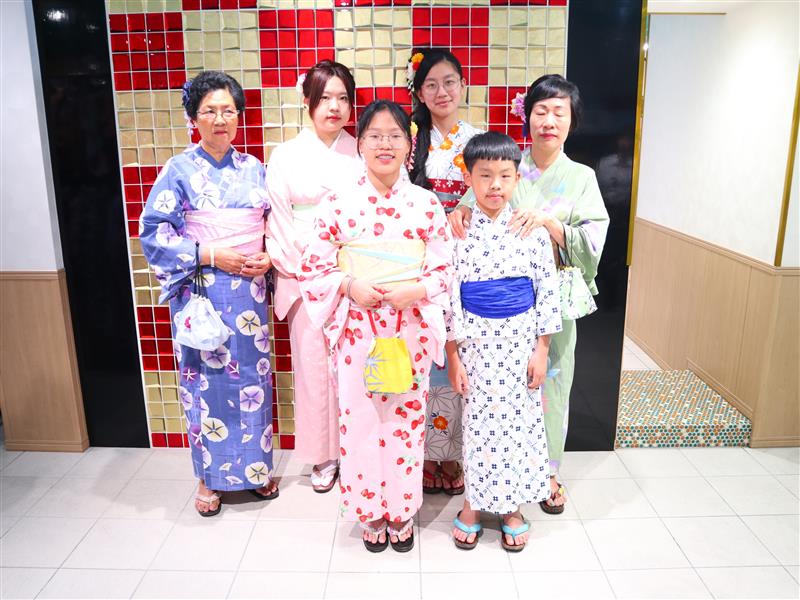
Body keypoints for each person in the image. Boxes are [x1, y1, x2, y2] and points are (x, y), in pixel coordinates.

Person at [298, 100, 454, 552]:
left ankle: (401, 508)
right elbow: (313, 267)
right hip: (357, 325)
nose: (385, 144)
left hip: (410, 325)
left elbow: (446, 268)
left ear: (408, 145)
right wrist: (349, 284)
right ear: (360, 144)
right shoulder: (337, 204)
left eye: (394, 136)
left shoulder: (425, 204)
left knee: (406, 418)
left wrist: (417, 289)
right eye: (374, 136)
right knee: (360, 419)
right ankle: (369, 510)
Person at [450, 75, 610, 514]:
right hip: (498, 314)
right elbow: (473, 201)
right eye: (541, 111)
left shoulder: (581, 177)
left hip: (553, 295)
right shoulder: (507, 165)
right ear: (528, 116)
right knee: (497, 397)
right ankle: (493, 479)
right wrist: (460, 210)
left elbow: (593, 240)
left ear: (572, 119)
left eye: (559, 112)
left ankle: (548, 471)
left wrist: (549, 223)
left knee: (552, 382)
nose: (549, 121)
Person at [140, 71, 278, 517]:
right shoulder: (177, 170)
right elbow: (153, 233)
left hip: (249, 292)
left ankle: (255, 471)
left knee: (253, 379)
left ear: (239, 116)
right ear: (193, 118)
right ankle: (208, 478)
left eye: (228, 111)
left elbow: (275, 225)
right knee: (205, 383)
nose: (220, 119)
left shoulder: (254, 168)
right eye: (210, 111)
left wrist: (270, 254)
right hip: (202, 291)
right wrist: (209, 253)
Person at [446, 131, 561, 551]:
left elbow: (547, 291)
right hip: (475, 346)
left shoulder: (531, 231)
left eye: (505, 176)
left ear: (516, 178)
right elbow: (450, 296)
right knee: (477, 427)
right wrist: (453, 356)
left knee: (518, 426)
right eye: (485, 175)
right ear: (469, 179)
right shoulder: (457, 233)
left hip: (520, 345)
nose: (495, 185)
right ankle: (473, 504)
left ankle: (512, 507)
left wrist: (542, 350)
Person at [265, 60, 359, 493]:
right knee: (312, 367)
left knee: (353, 367)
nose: (334, 107)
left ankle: (357, 451)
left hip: (352, 274)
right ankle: (323, 455)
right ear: (308, 101)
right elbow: (279, 219)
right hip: (303, 273)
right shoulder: (285, 155)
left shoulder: (360, 151)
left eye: (343, 98)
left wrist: (347, 268)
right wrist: (310, 269)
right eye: (325, 98)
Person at [407, 47, 482, 496]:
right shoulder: (409, 137)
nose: (441, 92)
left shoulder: (477, 139)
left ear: (463, 85)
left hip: (466, 253)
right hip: (421, 255)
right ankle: (424, 453)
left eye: (449, 82)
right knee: (427, 350)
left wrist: (465, 207)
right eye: (431, 84)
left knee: (462, 350)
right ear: (419, 92)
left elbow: (495, 187)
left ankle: (453, 452)